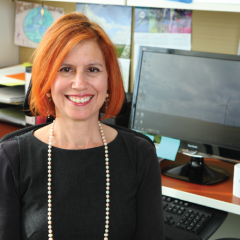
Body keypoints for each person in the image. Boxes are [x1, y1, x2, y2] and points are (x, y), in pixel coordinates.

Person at [0, 12, 165, 240]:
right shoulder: (12, 158)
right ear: (47, 79)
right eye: (66, 69)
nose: (79, 84)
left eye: (93, 69)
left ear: (109, 81)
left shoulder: (140, 154)